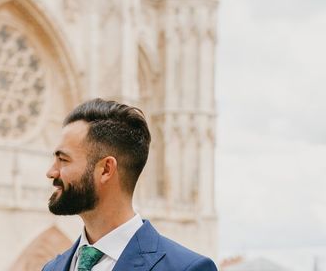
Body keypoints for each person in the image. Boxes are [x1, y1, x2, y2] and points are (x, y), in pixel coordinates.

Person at [42, 98, 217, 271]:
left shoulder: (187, 268)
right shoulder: (51, 268)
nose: (51, 172)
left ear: (106, 170)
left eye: (63, 160)